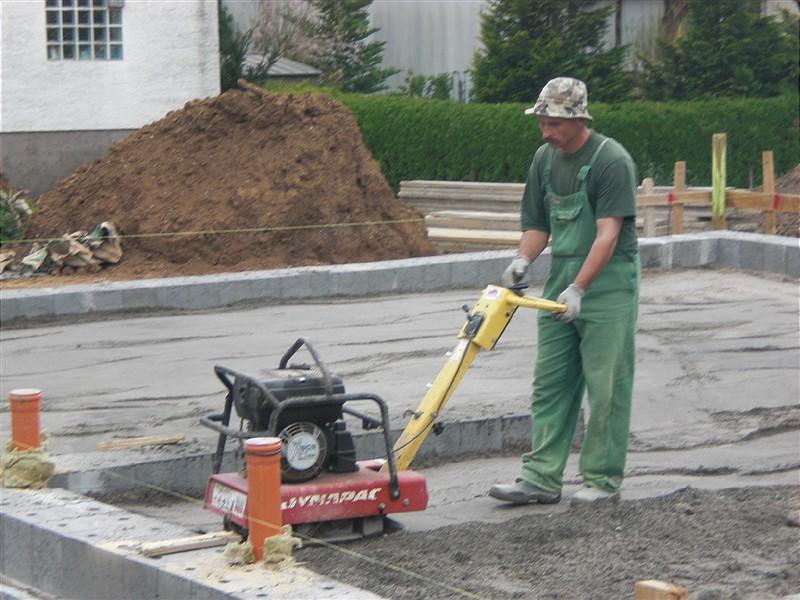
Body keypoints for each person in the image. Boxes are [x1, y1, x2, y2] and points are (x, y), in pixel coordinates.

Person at [489, 77, 640, 505]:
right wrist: (523, 259)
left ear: (578, 120)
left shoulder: (612, 161)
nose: (546, 130)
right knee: (551, 382)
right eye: (542, 121)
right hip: (561, 281)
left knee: (605, 384)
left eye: (554, 122)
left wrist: (580, 288)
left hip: (607, 284)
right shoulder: (544, 159)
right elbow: (538, 225)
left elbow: (608, 235)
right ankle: (540, 477)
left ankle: (602, 479)